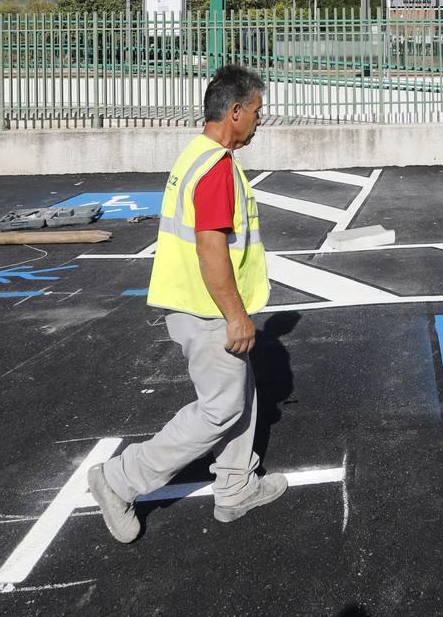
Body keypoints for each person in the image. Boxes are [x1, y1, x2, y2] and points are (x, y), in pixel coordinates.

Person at [88, 64, 285, 542]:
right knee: (219, 407)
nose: (260, 119)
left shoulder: (197, 153)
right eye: (257, 111)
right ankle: (119, 480)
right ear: (235, 112)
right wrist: (236, 315)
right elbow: (211, 247)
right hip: (208, 311)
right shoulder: (216, 168)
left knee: (242, 395)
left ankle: (235, 487)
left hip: (193, 304)